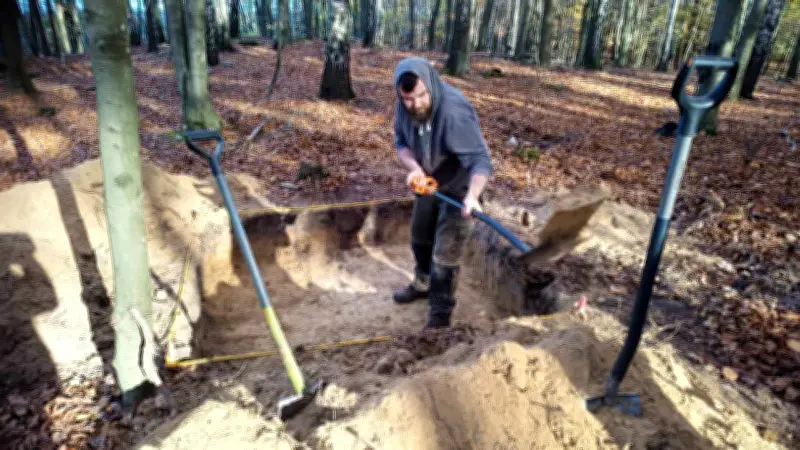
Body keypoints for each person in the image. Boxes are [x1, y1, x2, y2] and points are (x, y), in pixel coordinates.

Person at [391, 56, 493, 329]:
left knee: (444, 255)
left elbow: (481, 162)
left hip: (460, 189)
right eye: (409, 100)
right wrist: (414, 169)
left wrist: (472, 196)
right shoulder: (404, 106)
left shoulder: (453, 112)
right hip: (429, 184)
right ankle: (422, 284)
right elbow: (401, 142)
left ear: (431, 86)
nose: (416, 105)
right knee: (420, 238)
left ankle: (440, 315)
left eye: (422, 97)